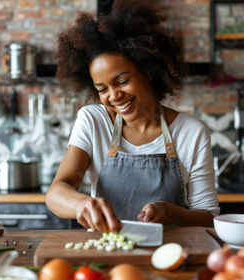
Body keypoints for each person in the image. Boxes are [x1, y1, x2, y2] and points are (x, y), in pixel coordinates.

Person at [46, 0, 219, 233]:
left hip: (172, 254)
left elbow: (209, 217)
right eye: (102, 89)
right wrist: (83, 204)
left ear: (148, 72)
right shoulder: (93, 121)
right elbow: (56, 193)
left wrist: (172, 212)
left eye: (123, 81)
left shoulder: (191, 131)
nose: (114, 96)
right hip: (108, 253)